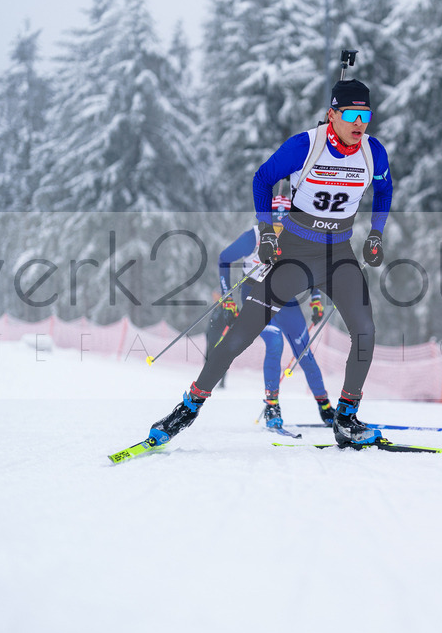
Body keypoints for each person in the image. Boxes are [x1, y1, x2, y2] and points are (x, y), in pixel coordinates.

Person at [148, 78, 391, 448]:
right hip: (294, 253)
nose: (360, 124)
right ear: (332, 115)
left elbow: (385, 189)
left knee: (366, 331)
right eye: (353, 115)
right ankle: (189, 407)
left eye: (367, 115)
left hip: (338, 254)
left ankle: (345, 418)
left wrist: (375, 233)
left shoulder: (373, 151)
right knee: (240, 336)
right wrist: (267, 232)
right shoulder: (305, 146)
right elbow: (262, 179)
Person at [214, 194, 336, 428]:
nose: (280, 230)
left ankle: (325, 406)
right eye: (276, 224)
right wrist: (228, 300)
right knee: (275, 344)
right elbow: (223, 259)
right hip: (255, 294)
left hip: (286, 299)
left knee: (304, 353)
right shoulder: (255, 236)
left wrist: (316, 300)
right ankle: (272, 406)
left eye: (285, 225)